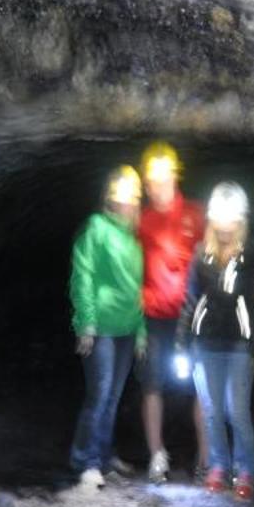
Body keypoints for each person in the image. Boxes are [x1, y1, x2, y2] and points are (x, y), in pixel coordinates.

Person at [178, 182, 254, 499]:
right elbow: (190, 300)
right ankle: (218, 465)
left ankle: (246, 470)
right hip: (204, 344)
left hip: (239, 346)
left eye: (230, 220)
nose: (223, 227)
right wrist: (182, 343)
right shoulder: (201, 254)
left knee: (237, 411)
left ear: (241, 221)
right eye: (219, 219)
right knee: (211, 410)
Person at [68, 165, 146, 489]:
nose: (126, 204)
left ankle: (102, 455)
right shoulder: (96, 228)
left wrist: (141, 331)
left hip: (127, 328)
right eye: (121, 198)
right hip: (100, 327)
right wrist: (85, 322)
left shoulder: (133, 239)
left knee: (112, 397)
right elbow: (82, 275)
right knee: (98, 395)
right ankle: (85, 460)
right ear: (110, 200)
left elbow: (138, 289)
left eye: (131, 199)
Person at [135, 141, 208, 483]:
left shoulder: (197, 213)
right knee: (152, 386)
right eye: (152, 182)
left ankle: (206, 459)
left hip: (191, 316)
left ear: (175, 178)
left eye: (162, 180)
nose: (157, 188)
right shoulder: (141, 220)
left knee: (200, 387)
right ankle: (156, 456)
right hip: (153, 317)